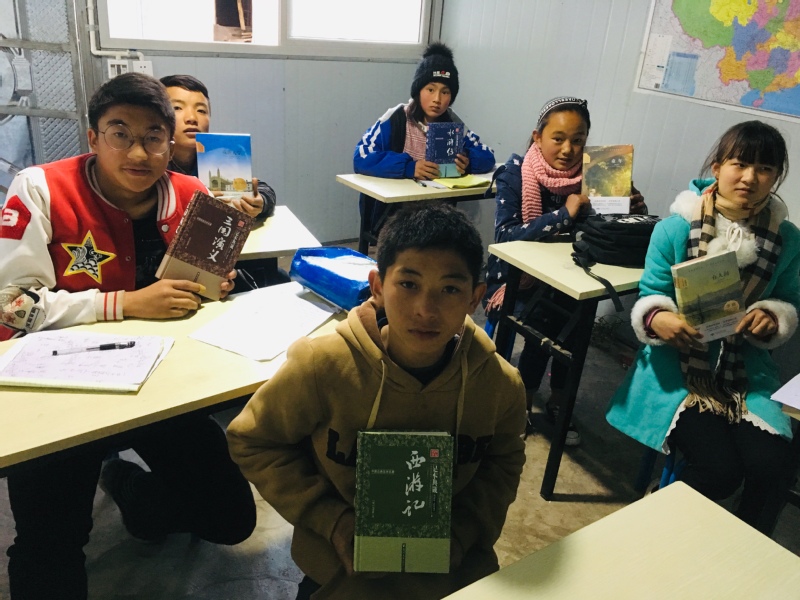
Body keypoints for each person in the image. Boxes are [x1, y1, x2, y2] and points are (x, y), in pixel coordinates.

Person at [0, 72, 256, 599]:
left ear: (170, 141)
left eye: (153, 137)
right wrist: (125, 304)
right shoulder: (41, 187)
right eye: (120, 134)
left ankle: (128, 488)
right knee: (50, 550)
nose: (138, 152)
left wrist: (216, 285)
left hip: (162, 385)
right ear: (93, 138)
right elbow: (10, 305)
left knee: (231, 518)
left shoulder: (192, 193)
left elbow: (203, 294)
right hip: (60, 394)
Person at [227, 203, 527, 600]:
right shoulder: (323, 365)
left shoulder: (499, 384)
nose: (425, 309)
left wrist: (464, 530)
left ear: (475, 298)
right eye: (408, 284)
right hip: (337, 568)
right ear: (378, 287)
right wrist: (332, 522)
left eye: (450, 289)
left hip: (453, 569)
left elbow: (504, 462)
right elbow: (252, 440)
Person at [606, 120, 800, 534]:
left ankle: (747, 543)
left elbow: (790, 299)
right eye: (739, 164)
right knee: (720, 470)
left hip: (745, 371)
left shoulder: (787, 239)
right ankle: (656, 529)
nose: (749, 177)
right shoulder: (675, 227)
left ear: (777, 177)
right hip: (677, 368)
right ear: (717, 167)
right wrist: (659, 317)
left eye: (765, 168)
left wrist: (773, 317)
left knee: (773, 464)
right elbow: (650, 294)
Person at [483, 96, 646, 446]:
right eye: (558, 138)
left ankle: (559, 400)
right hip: (517, 281)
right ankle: (522, 401)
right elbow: (506, 235)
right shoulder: (515, 174)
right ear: (537, 137)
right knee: (545, 320)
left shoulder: (597, 172)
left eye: (578, 140)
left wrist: (631, 211)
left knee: (577, 322)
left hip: (570, 276)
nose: (568, 149)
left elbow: (605, 234)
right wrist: (564, 214)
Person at [353, 42, 495, 234]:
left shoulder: (453, 124)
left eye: (445, 92)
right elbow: (361, 156)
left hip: (438, 218)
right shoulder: (396, 118)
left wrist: (468, 162)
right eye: (430, 89)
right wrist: (408, 167)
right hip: (394, 218)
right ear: (418, 90)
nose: (437, 99)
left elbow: (487, 155)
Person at [160, 73, 287, 287]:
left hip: (223, 251)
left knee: (275, 276)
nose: (192, 118)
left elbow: (263, 189)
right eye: (177, 108)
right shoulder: (152, 166)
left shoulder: (217, 157)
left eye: (201, 110)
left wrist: (259, 203)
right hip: (174, 265)